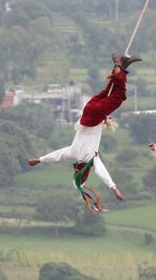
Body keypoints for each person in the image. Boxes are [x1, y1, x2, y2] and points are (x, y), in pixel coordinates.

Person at [27, 52, 141, 202]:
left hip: (93, 116)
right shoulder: (73, 153)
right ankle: (122, 65)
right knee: (109, 91)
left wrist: (115, 189)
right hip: (88, 110)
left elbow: (102, 173)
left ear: (85, 170)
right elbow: (56, 156)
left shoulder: (91, 158)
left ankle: (118, 63)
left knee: (118, 96)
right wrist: (39, 160)